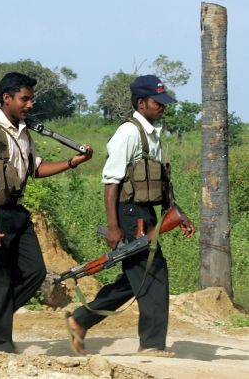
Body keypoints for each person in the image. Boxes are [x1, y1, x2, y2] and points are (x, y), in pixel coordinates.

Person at [66, 74, 195, 357]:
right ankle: (151, 345)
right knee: (154, 274)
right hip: (129, 214)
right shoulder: (128, 133)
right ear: (141, 102)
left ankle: (80, 319)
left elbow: (161, 180)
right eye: (157, 102)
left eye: (163, 102)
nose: (162, 107)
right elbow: (111, 182)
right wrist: (113, 227)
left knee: (136, 278)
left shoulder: (153, 134)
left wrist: (178, 214)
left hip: (147, 213)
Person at [0, 72, 93, 355]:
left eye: (31, 99)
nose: (30, 104)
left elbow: (36, 169)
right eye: (25, 98)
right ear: (6, 98)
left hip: (16, 214)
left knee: (34, 272)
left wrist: (73, 162)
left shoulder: (23, 132)